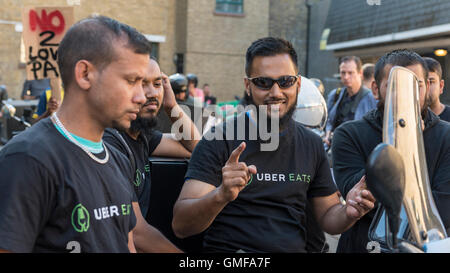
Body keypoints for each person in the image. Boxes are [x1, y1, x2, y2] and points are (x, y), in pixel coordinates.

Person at [171, 37, 375, 253]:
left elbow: (327, 217)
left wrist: (349, 211)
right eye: (263, 82)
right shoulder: (219, 139)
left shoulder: (312, 144)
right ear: (248, 86)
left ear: (297, 84)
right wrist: (220, 195)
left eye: (285, 81)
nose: (276, 92)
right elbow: (181, 225)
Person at [0, 15, 152, 253]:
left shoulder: (118, 158)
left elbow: (127, 243)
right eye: (131, 80)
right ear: (85, 74)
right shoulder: (27, 160)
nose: (142, 97)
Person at [332, 49, 450, 253]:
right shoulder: (349, 133)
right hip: (362, 246)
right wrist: (399, 144)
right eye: (396, 86)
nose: (407, 95)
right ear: (376, 89)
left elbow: (443, 208)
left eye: (417, 86)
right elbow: (359, 198)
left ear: (428, 86)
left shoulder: (447, 136)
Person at [103, 58, 201, 252]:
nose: (152, 93)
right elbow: (137, 232)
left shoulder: (141, 135)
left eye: (157, 84)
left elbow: (196, 148)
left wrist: (171, 107)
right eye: (140, 83)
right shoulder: (110, 141)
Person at [323, 56, 377, 147]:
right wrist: (328, 133)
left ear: (360, 73)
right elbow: (328, 120)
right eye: (343, 73)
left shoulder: (371, 98)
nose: (346, 77)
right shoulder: (335, 95)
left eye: (350, 73)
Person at [423, 57, 450, 122]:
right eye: (420, 83)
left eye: (431, 82)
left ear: (441, 86)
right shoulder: (407, 119)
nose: (426, 87)